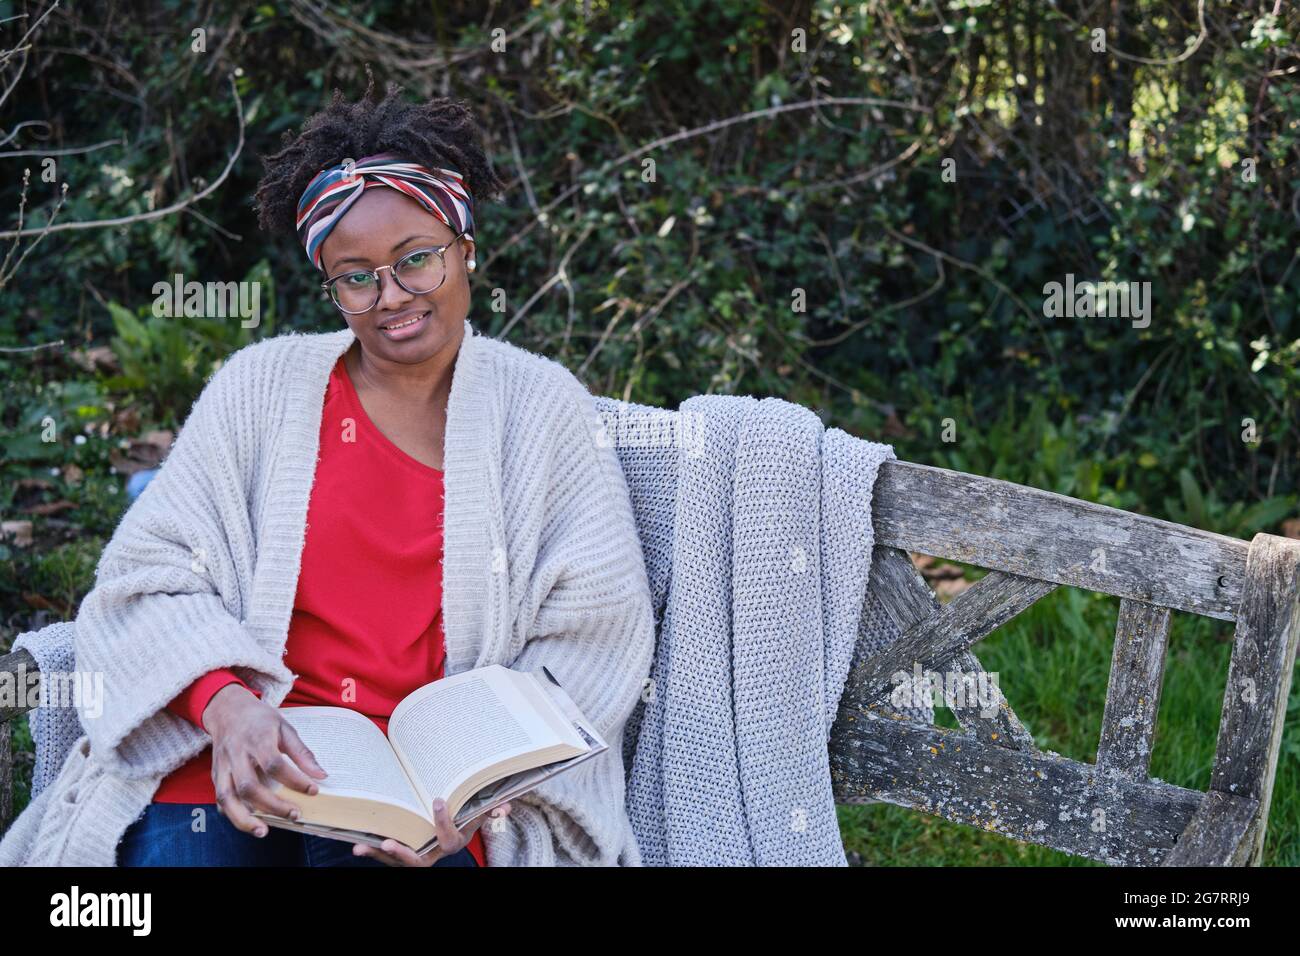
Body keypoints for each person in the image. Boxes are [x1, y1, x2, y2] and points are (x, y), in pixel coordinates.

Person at [0, 77, 657, 868]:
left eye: (418, 260)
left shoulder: (543, 410)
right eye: (357, 275)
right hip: (243, 760)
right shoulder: (260, 389)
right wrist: (227, 706)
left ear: (466, 249)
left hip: (434, 799)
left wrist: (485, 795)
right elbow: (147, 579)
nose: (393, 298)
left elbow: (597, 628)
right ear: (330, 285)